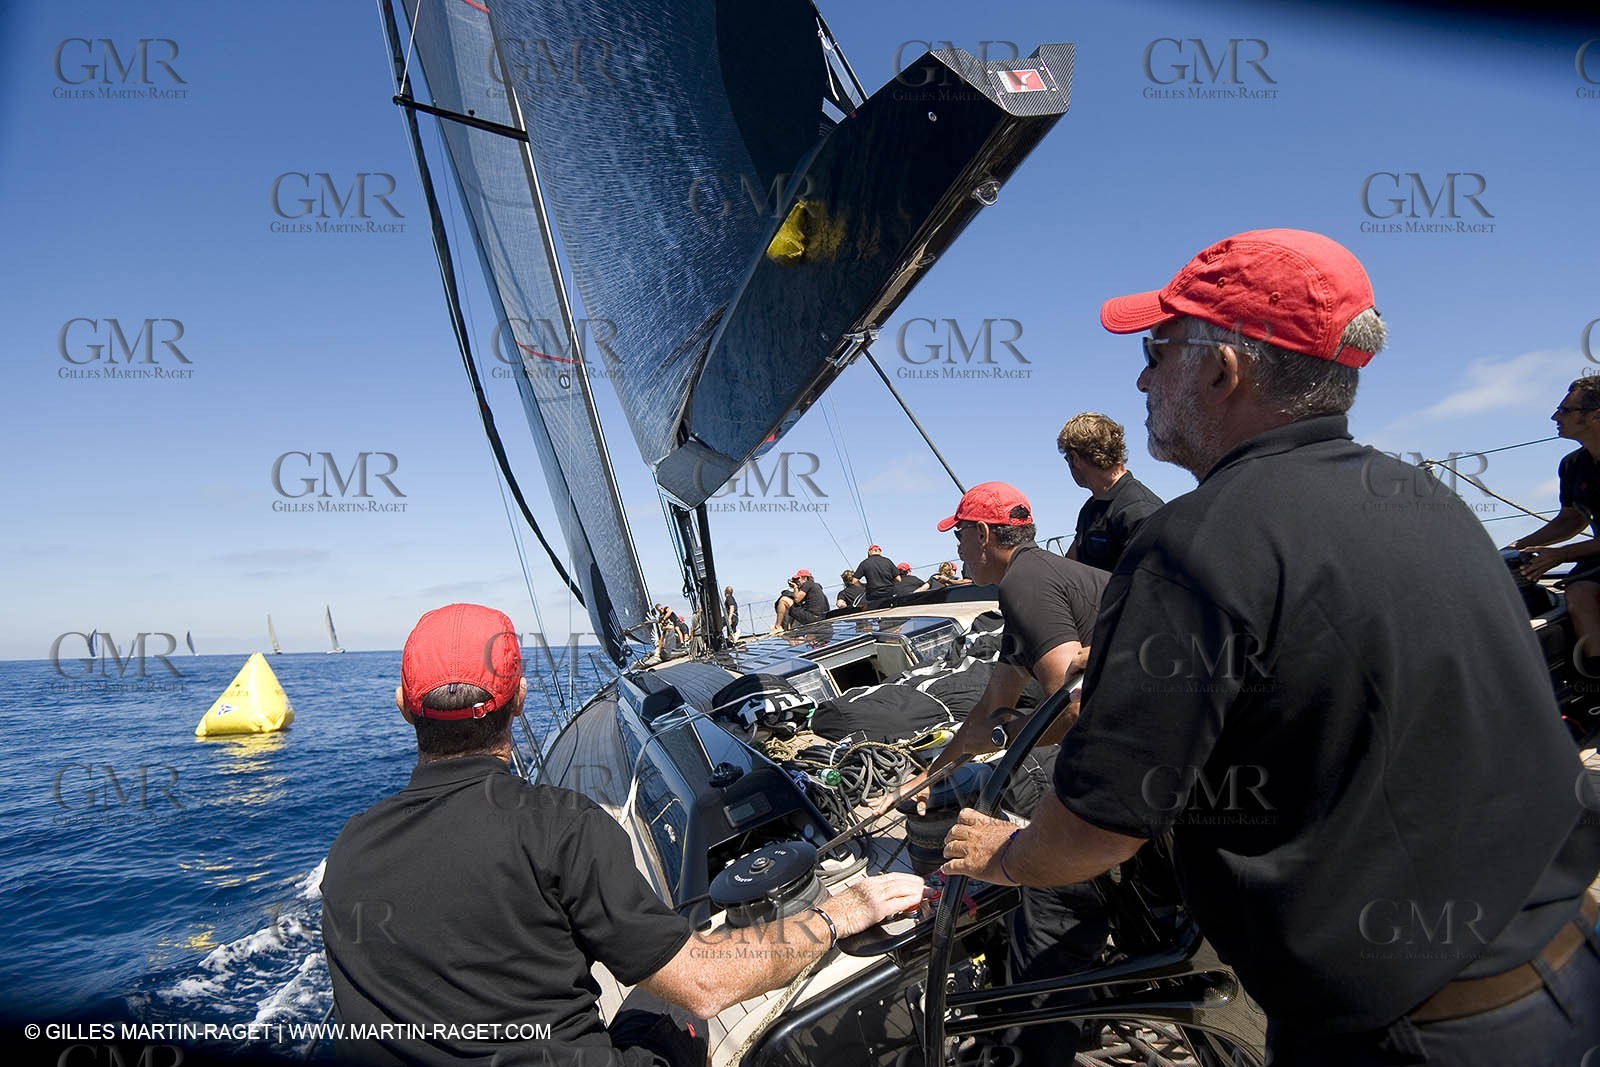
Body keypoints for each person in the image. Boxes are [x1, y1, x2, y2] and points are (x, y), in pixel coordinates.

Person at [939, 229, 1600, 1064]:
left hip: (1410, 1032)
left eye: (1158, 348)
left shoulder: (1196, 542)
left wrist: (1006, 853)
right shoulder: (1423, 494)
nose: (1142, 376)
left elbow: (1100, 830)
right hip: (1570, 968)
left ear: (1224, 370)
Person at [321, 603, 926, 1067]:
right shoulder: (561, 825)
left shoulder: (348, 847)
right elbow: (705, 983)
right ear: (520, 699)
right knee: (671, 1013)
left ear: (404, 704)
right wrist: (839, 913)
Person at [1510, 375, 1600, 667]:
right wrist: (1519, 545)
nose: (1554, 416)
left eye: (1565, 410)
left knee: (1581, 593)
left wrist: (1561, 555)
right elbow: (1570, 521)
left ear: (1596, 416)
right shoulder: (1573, 465)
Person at [1056, 412, 1165, 572]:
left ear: (1074, 459)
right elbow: (1069, 567)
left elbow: (1153, 584)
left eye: (1068, 459)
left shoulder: (1138, 510)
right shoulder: (1091, 507)